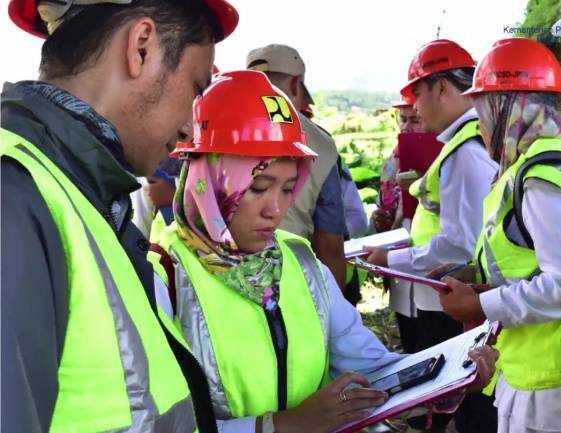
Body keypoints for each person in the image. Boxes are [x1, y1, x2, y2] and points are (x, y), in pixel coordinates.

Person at [149, 70, 499, 433]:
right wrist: (284, 425)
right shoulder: (163, 277)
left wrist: (449, 377)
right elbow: (157, 426)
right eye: (258, 187)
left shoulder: (299, 261)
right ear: (206, 181)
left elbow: (371, 366)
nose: (276, 209)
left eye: (288, 189)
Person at [1, 1, 238, 432]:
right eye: (195, 90)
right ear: (141, 46)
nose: (190, 128)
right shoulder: (14, 194)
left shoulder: (77, 191)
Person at [436, 37, 561, 433]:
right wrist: (476, 277)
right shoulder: (530, 165)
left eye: (484, 114)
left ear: (507, 107)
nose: (482, 128)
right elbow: (527, 260)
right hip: (536, 373)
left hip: (556, 386)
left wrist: (482, 305)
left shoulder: (542, 179)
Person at [365, 39, 499, 432]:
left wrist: (393, 260)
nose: (417, 109)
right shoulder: (467, 142)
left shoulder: (464, 153)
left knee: (471, 401)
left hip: (461, 295)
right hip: (460, 292)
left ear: (441, 88)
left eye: (418, 95)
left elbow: (461, 242)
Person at [246, 44, 347, 291]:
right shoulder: (320, 143)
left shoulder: (216, 127)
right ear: (296, 84)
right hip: (292, 282)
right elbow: (330, 244)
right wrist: (336, 306)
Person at [372, 95, 427, 354]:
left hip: (429, 266)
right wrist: (381, 221)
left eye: (415, 120)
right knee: (410, 335)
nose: (406, 127)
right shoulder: (392, 163)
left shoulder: (443, 160)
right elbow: (386, 207)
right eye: (402, 119)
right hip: (399, 265)